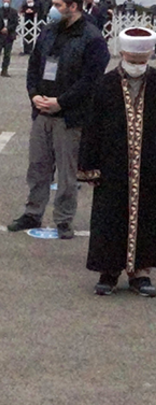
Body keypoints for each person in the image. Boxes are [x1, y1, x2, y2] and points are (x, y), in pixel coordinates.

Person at [7, 0, 110, 239]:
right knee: (38, 167)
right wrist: (35, 96)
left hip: (69, 117)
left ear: (73, 6)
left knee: (66, 173)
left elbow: (90, 81)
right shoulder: (49, 31)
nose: (53, 8)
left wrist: (61, 102)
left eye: (58, 4)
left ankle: (64, 220)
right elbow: (34, 68)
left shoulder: (92, 38)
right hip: (42, 112)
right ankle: (33, 212)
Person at [78, 27, 156, 297]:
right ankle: (108, 271)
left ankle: (141, 272)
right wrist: (89, 166)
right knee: (110, 217)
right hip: (112, 166)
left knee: (147, 216)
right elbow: (92, 127)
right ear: (122, 53)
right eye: (132, 60)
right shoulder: (106, 84)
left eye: (141, 60)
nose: (136, 65)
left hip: (149, 166)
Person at [0, 0, 19, 77]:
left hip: (9, 36)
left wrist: (8, 29)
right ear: (2, 1)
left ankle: (4, 70)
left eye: (8, 1)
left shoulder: (14, 12)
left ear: (10, 2)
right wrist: (1, 28)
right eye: (5, 1)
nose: (6, 3)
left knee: (7, 54)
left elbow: (15, 23)